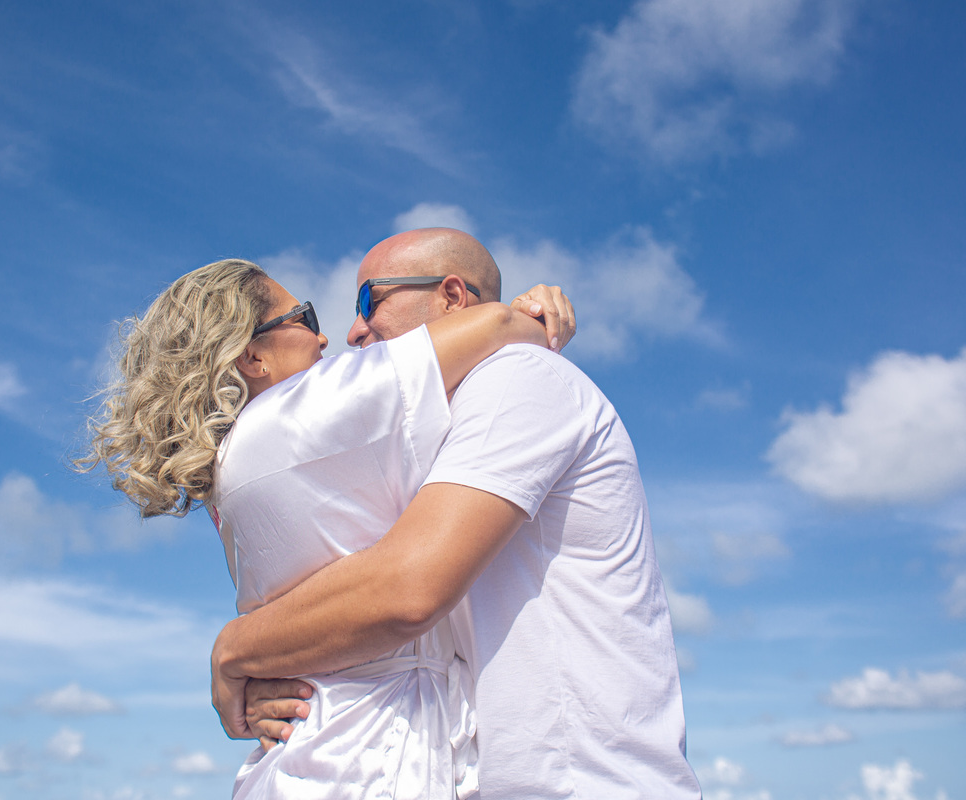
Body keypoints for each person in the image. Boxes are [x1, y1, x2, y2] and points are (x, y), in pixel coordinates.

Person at [211, 229, 703, 799]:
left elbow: (405, 587)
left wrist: (236, 650)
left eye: (370, 301)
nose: (350, 332)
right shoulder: (423, 439)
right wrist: (277, 671)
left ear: (450, 297)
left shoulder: (520, 376)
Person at [80, 258, 571, 799]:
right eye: (302, 316)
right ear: (252, 353)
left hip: (308, 756)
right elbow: (502, 328)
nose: (324, 337)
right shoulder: (300, 416)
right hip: (373, 762)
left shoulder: (233, 471)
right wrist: (535, 311)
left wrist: (237, 653)